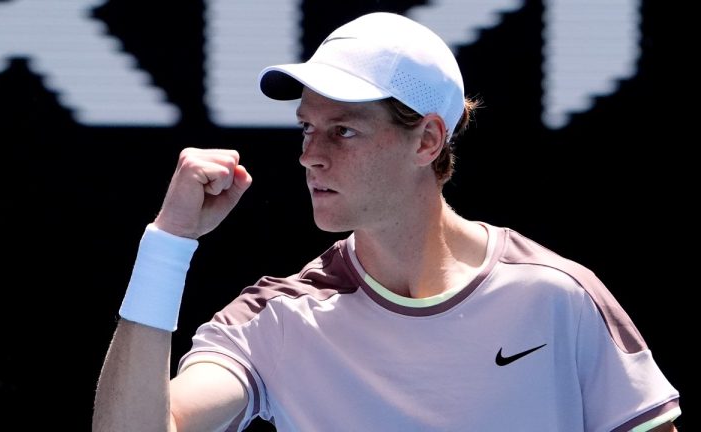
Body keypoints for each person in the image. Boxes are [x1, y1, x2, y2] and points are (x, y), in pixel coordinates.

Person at [92, 12, 681, 432]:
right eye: (306, 128)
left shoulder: (560, 296)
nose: (310, 154)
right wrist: (167, 245)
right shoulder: (276, 320)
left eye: (342, 130)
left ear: (427, 139)